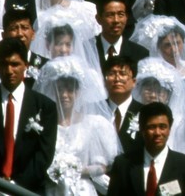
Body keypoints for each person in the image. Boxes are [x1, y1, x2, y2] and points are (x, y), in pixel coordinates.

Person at [0, 37, 58, 195]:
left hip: (27, 190)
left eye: (15, 64)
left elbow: (44, 154)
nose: (9, 71)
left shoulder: (45, 106)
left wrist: (15, 187)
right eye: (4, 64)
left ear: (25, 66)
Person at [33, 55, 120, 195]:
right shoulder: (42, 125)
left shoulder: (94, 124)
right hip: (52, 190)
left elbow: (103, 166)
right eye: (60, 89)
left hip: (82, 190)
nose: (64, 95)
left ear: (78, 92)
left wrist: (75, 170)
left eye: (70, 90)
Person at [107, 102, 185, 196]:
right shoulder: (123, 164)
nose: (157, 133)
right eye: (151, 127)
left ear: (169, 128)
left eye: (162, 127)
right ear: (141, 128)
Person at [103, 55, 143, 154]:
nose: (117, 79)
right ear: (105, 81)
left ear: (134, 82)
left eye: (122, 73)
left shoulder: (143, 111)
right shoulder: (95, 109)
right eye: (112, 74)